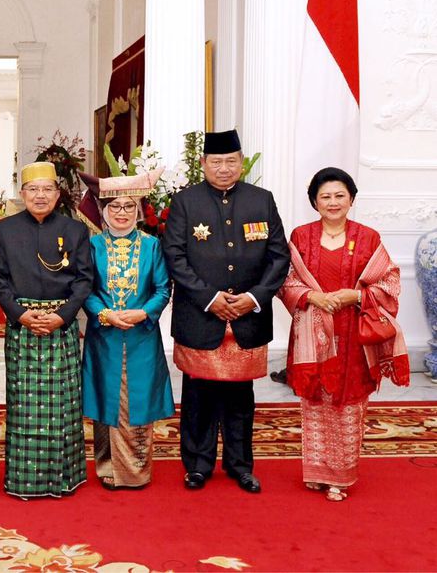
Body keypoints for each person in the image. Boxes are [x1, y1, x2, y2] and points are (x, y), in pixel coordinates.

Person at [162, 129, 289, 493]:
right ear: (203, 164)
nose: (223, 169)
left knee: (240, 398)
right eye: (215, 162)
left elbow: (279, 256)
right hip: (202, 314)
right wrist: (209, 297)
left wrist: (253, 298)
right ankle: (198, 465)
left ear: (241, 162)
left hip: (248, 316)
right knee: (198, 396)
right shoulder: (185, 202)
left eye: (230, 161)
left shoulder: (261, 200)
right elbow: (175, 255)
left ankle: (240, 465)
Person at [279, 167, 409, 502]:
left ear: (351, 198)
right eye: (325, 196)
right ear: (314, 201)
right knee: (316, 400)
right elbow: (287, 280)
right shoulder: (301, 236)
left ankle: (340, 477)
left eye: (340, 195)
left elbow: (390, 281)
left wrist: (357, 296)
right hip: (312, 331)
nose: (333, 202)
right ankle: (317, 471)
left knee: (348, 403)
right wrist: (313, 297)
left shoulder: (368, 237)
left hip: (354, 333)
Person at [0, 161, 94, 499]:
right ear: (22, 194)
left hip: (60, 326)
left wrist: (62, 316)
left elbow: (84, 280)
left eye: (47, 189)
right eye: (33, 189)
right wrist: (20, 315)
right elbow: (0, 280)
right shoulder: (4, 230)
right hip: (22, 326)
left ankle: (64, 478)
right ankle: (24, 481)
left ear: (57, 193)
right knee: (23, 405)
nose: (40, 195)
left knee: (63, 405)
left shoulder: (75, 230)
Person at [81, 168, 174, 490]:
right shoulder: (92, 246)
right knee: (105, 397)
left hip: (142, 336)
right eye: (115, 207)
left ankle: (135, 470)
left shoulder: (152, 246)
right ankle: (107, 466)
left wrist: (142, 313)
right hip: (103, 336)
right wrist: (104, 314)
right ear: (104, 212)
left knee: (138, 399)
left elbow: (163, 289)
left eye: (128, 207)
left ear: (138, 212)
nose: (121, 213)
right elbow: (85, 289)